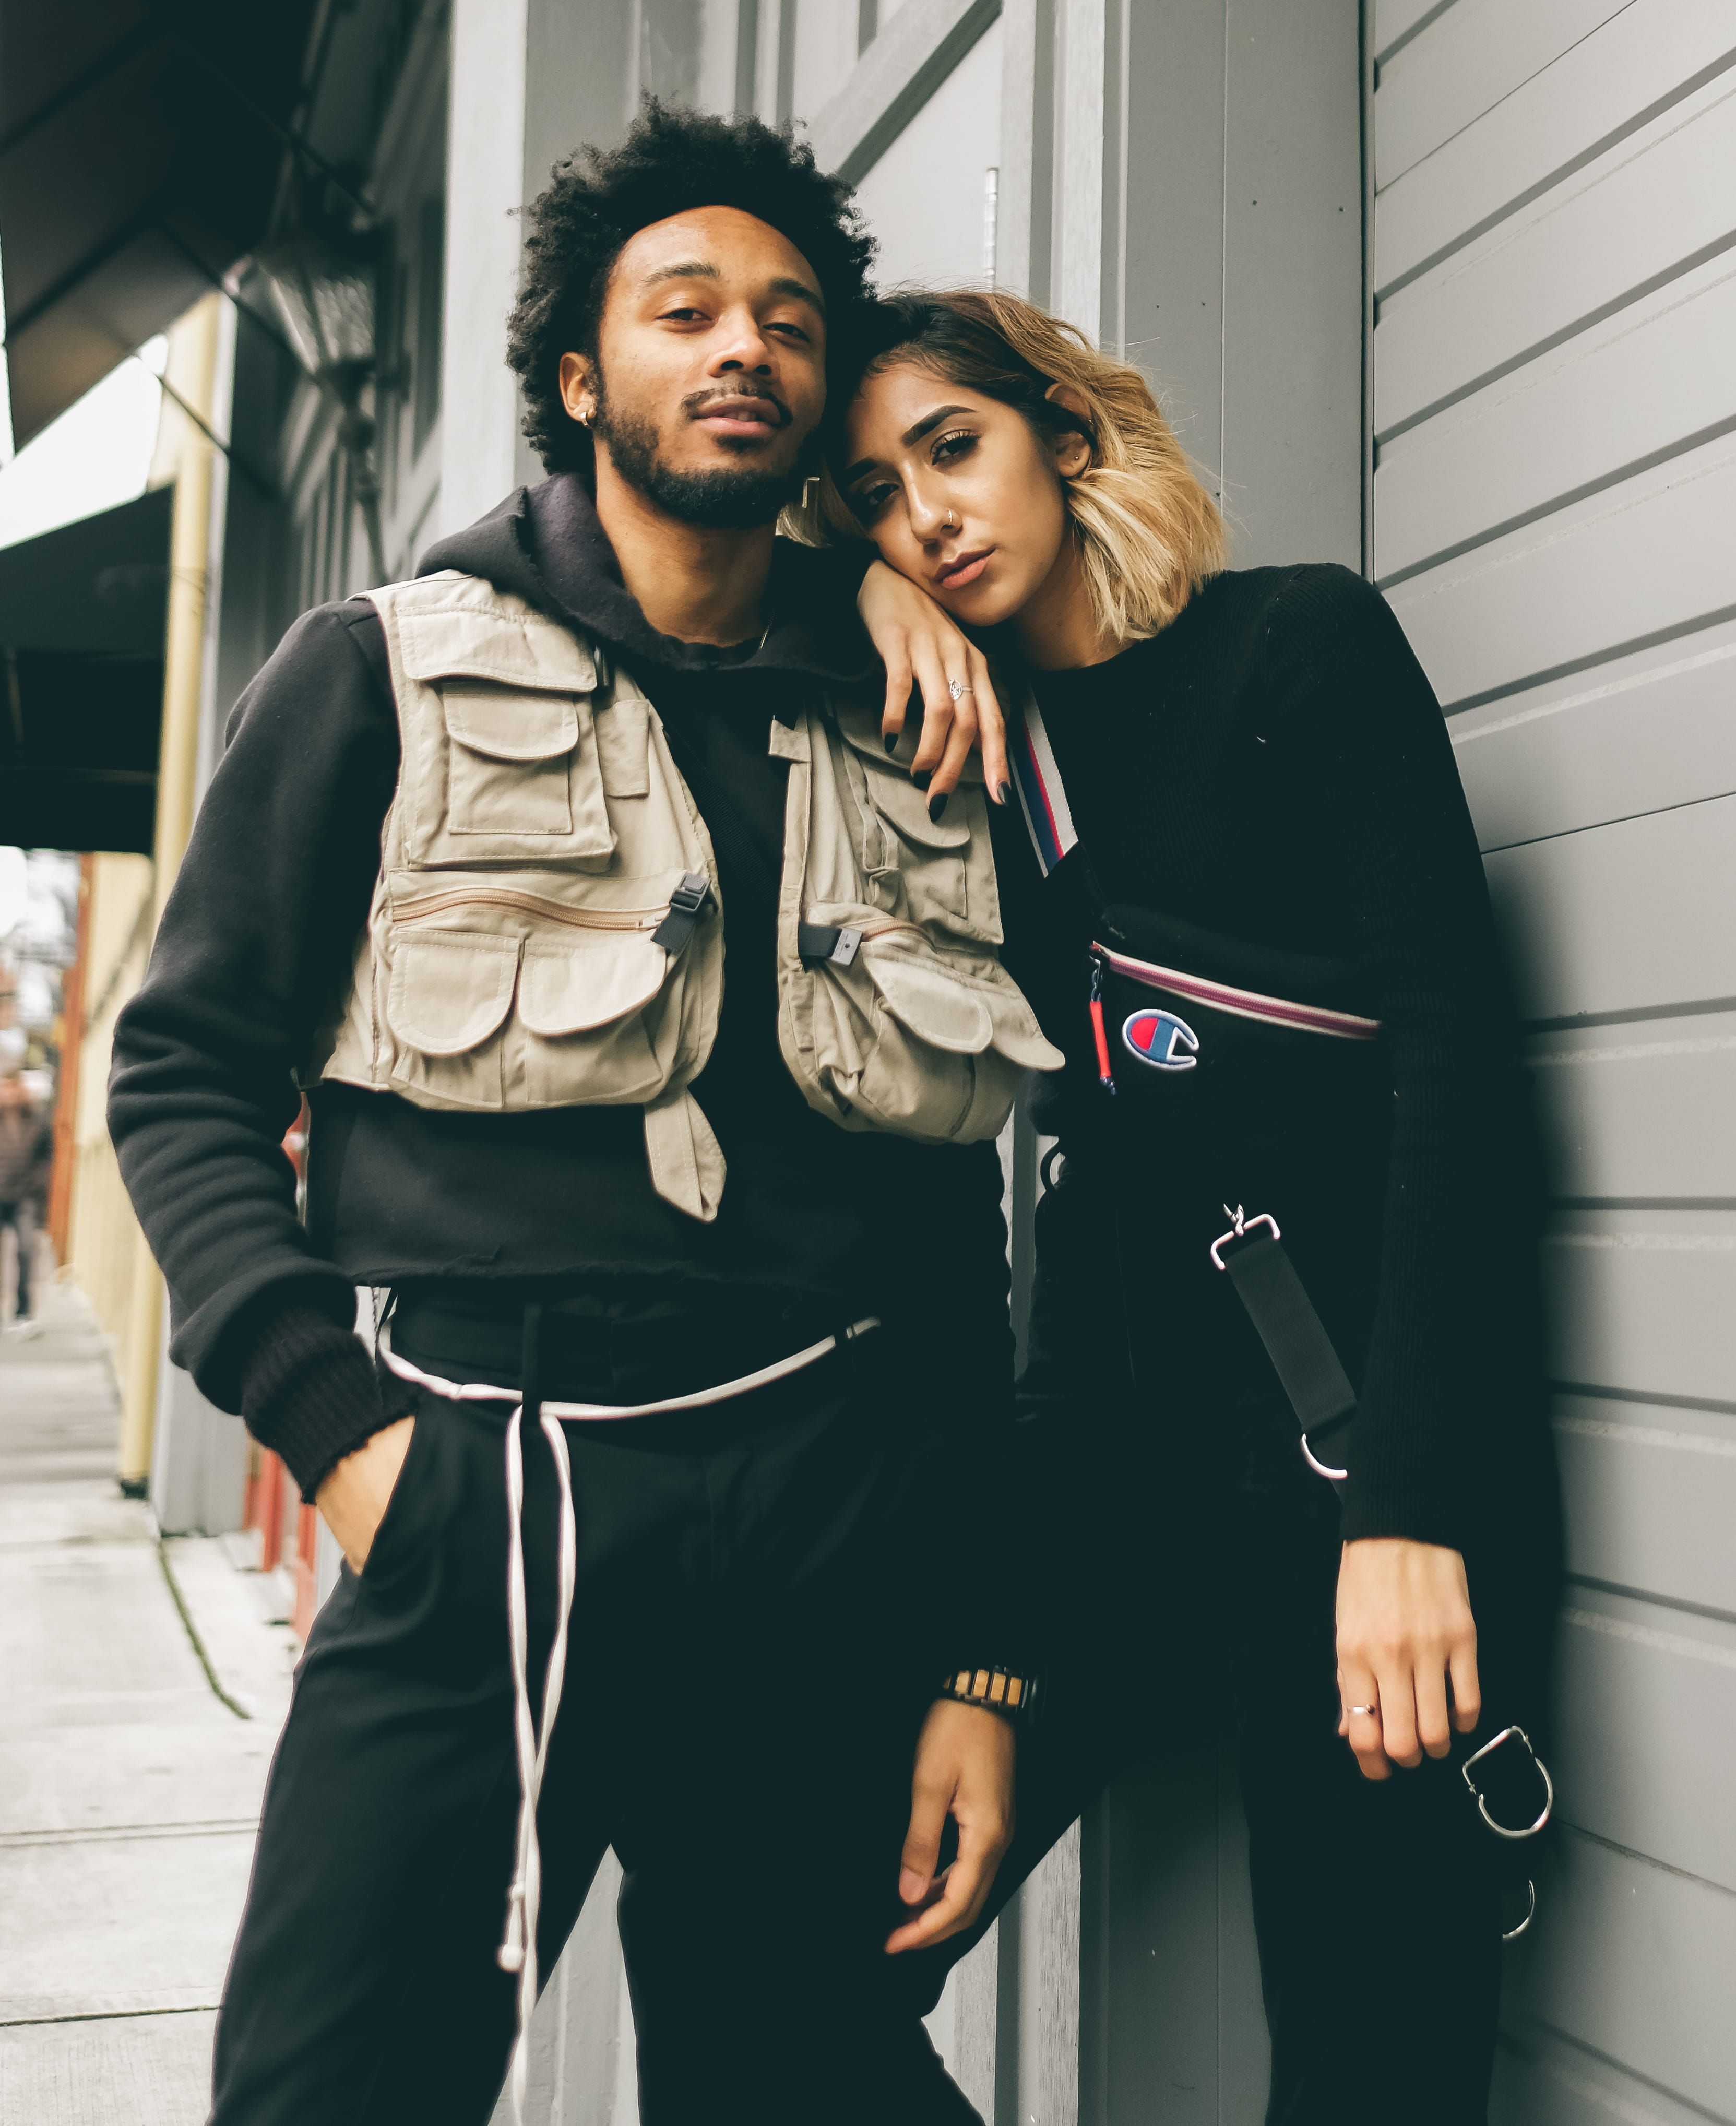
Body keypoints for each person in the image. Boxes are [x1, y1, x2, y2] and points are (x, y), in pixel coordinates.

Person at [108, 111, 1060, 2126]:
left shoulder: (902, 716)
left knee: (801, 2064)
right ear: (576, 373)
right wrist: (344, 1434)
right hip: (484, 1488)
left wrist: (979, 1651)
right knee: (331, 2077)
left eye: (788, 323)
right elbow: (183, 1067)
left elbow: (941, 1215)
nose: (744, 349)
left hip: (826, 1509)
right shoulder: (375, 666)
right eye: (684, 309)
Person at [814, 290, 1562, 2120]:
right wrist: (848, 589)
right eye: (872, 495)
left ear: (1063, 439)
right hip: (1118, 1490)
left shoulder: (1297, 647)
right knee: (804, 1943)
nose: (926, 511)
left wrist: (1404, 1509)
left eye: (951, 449)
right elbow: (655, 537)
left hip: (1364, 1486)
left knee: (1369, 2073)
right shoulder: (964, 760)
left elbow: (1449, 1087)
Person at [0, 1067, 51, 1336]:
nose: (9, 1093)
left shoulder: (36, 1119)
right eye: (4, 1087)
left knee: (26, 1251)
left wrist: (38, 1184)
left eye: (13, 1087)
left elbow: (46, 1156)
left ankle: (23, 1312)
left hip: (24, 1197)